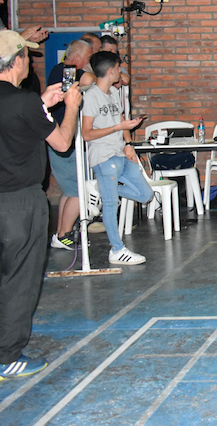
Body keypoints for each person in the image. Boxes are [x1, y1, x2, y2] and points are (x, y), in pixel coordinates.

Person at [0, 30, 81, 380]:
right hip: (19, 203)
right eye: (27, 57)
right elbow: (62, 143)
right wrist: (71, 107)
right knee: (19, 279)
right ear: (16, 61)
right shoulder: (24, 101)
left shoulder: (28, 103)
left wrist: (43, 105)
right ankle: (7, 356)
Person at [81, 51, 151, 265]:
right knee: (111, 204)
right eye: (119, 68)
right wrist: (117, 128)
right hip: (103, 156)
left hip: (121, 153)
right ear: (111, 71)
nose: (121, 72)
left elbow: (122, 121)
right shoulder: (91, 96)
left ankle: (97, 189)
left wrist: (128, 143)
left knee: (145, 194)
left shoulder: (113, 92)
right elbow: (86, 134)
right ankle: (117, 250)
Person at [47, 40, 97, 249]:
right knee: (80, 191)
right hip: (64, 142)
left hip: (63, 141)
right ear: (77, 58)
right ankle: (63, 234)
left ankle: (61, 234)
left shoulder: (58, 71)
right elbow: (91, 79)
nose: (89, 62)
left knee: (69, 191)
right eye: (88, 58)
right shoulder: (65, 71)